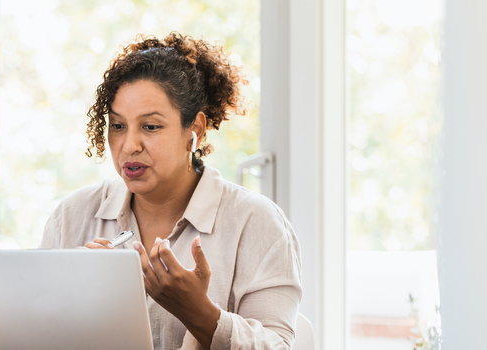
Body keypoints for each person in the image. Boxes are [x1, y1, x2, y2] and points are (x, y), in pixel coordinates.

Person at [40, 32, 302, 350]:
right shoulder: (72, 215)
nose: (128, 146)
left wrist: (201, 315)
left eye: (150, 126)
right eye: (118, 126)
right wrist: (69, 300)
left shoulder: (256, 222)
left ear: (194, 131)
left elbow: (279, 345)